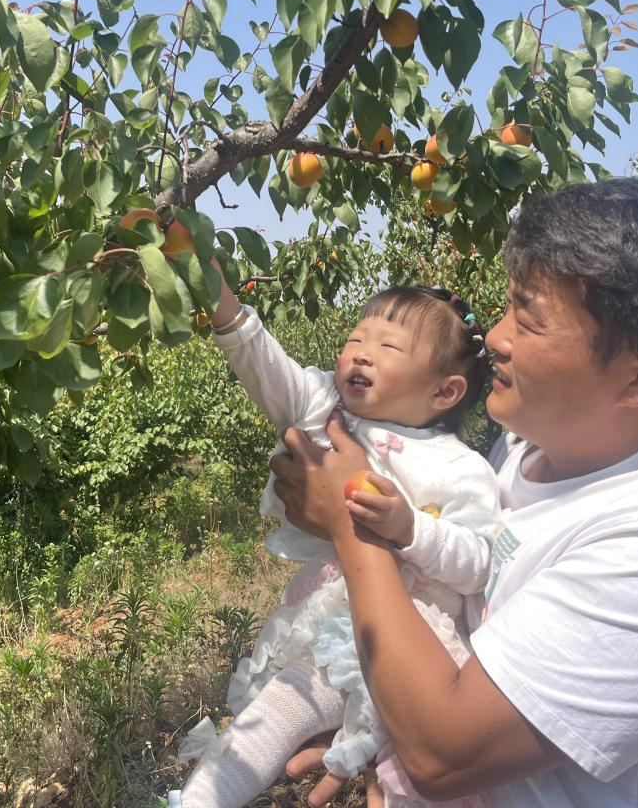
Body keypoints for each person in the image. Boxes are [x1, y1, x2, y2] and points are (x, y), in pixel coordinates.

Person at [268, 178, 638, 808]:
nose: (495, 337)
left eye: (530, 320)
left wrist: (352, 525)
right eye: (509, 307)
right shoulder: (527, 449)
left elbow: (445, 754)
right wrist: (378, 715)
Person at [169, 265, 502, 808]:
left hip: (415, 651)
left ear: (446, 390)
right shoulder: (326, 411)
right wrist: (221, 300)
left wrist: (411, 530)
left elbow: (478, 563)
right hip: (333, 634)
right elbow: (266, 368)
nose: (361, 352)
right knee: (271, 716)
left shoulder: (462, 470)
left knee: (405, 786)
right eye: (355, 338)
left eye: (388, 345)